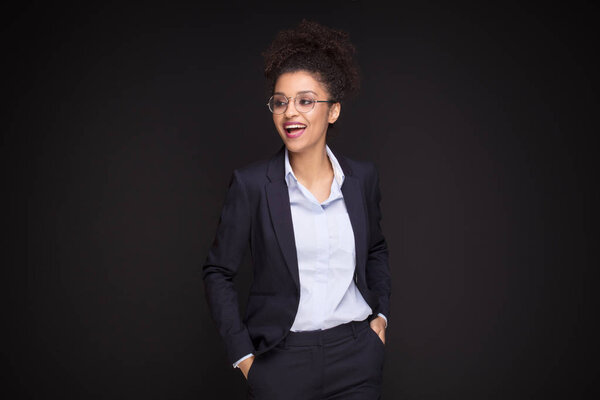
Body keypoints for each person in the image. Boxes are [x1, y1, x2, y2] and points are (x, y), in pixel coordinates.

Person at [202, 19, 391, 399]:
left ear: (333, 110)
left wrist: (380, 319)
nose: (291, 112)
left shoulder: (361, 178)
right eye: (280, 101)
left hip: (356, 357)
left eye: (306, 101)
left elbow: (375, 249)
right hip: (281, 362)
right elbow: (218, 271)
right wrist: (243, 357)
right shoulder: (252, 184)